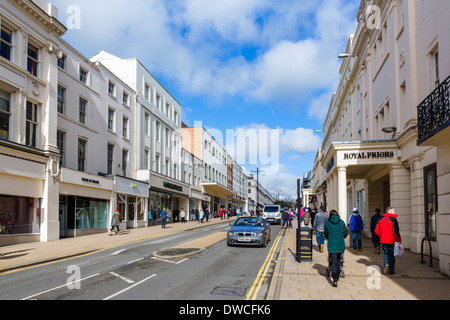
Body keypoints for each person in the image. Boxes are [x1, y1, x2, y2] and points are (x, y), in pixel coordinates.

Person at [324, 210, 348, 287]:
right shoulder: (341, 222)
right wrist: (341, 237)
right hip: (340, 243)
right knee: (339, 260)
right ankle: (337, 276)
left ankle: (334, 280)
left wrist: (329, 238)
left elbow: (325, 234)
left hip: (332, 244)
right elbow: (345, 232)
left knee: (333, 261)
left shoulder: (327, 223)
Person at [375, 207, 402, 275]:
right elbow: (396, 232)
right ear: (390, 212)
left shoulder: (380, 219)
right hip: (392, 240)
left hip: (383, 240)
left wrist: (381, 236)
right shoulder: (393, 219)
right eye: (393, 211)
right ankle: (391, 271)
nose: (394, 213)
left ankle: (386, 264)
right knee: (392, 255)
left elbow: (376, 230)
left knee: (386, 253)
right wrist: (399, 239)